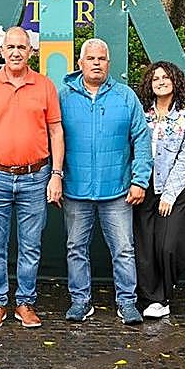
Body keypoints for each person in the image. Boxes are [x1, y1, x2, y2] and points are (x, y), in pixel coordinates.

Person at [0, 27, 64, 329]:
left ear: (31, 51)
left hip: (36, 177)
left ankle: (25, 303)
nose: (16, 52)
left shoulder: (45, 86)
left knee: (31, 244)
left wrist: (56, 174)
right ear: (2, 51)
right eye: (11, 47)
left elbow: (56, 131)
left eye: (22, 47)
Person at [58, 39, 151, 325]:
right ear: (80, 63)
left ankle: (127, 303)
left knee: (123, 249)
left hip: (118, 191)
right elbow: (51, 140)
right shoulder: (63, 97)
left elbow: (142, 139)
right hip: (75, 189)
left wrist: (140, 180)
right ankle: (80, 302)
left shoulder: (125, 97)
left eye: (102, 59)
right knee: (76, 248)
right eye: (91, 58)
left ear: (109, 64)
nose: (97, 63)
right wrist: (55, 177)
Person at [132, 61, 185, 319]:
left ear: (175, 82)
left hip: (176, 189)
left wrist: (170, 194)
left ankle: (166, 292)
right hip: (144, 186)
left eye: (166, 77)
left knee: (168, 245)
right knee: (145, 245)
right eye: (155, 78)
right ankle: (152, 298)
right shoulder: (142, 113)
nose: (160, 81)